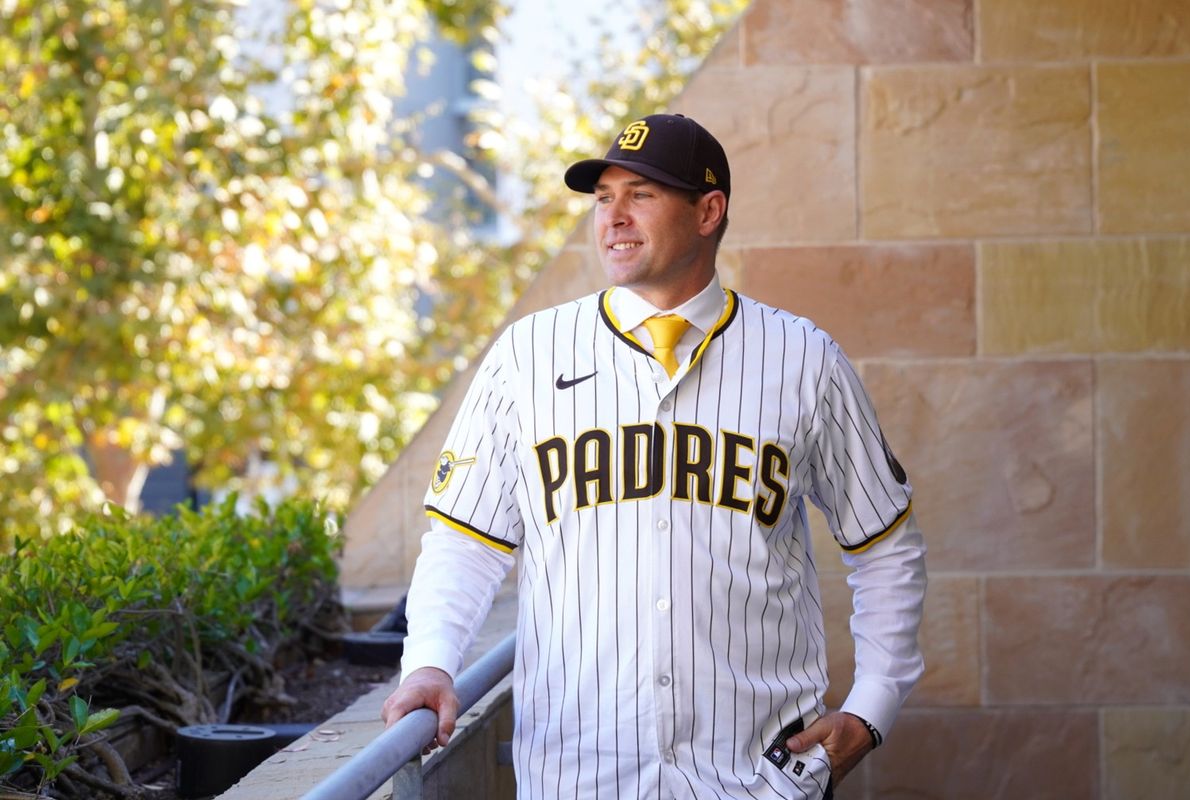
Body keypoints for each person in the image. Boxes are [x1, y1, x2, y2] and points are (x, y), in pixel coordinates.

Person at [381, 113, 927, 800]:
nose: (613, 217)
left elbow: (885, 546)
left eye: (640, 194)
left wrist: (872, 705)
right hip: (578, 777)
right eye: (603, 197)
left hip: (758, 778)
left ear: (709, 211)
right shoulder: (527, 356)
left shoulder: (803, 359)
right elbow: (465, 544)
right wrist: (430, 663)